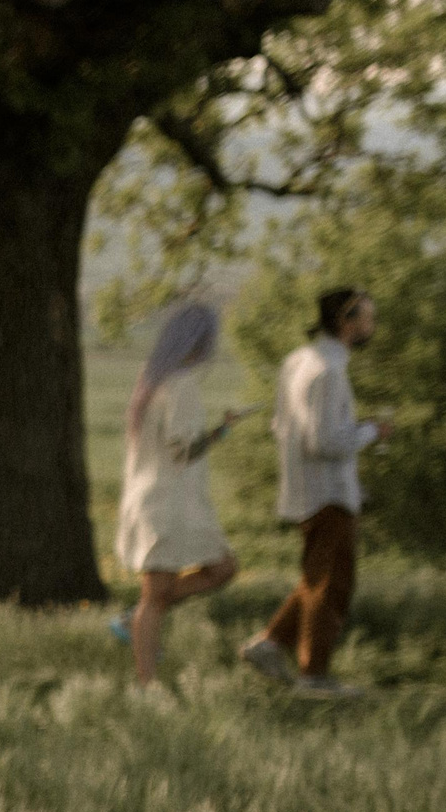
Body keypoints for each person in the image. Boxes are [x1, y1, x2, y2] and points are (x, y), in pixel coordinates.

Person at [241, 287, 390, 697]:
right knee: (332, 586)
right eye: (367, 319)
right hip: (328, 494)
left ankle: (270, 644)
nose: (371, 327)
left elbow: (281, 426)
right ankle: (314, 676)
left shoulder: (297, 361)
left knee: (316, 579)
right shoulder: (328, 370)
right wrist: (371, 431)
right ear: (346, 323)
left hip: (305, 489)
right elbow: (324, 442)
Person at [111, 303, 245, 686]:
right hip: (165, 506)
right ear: (201, 342)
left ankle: (134, 626)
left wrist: (217, 430)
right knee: (170, 592)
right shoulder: (182, 384)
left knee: (213, 571)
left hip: (151, 500)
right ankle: (145, 683)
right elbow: (182, 450)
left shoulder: (150, 379)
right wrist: (219, 433)